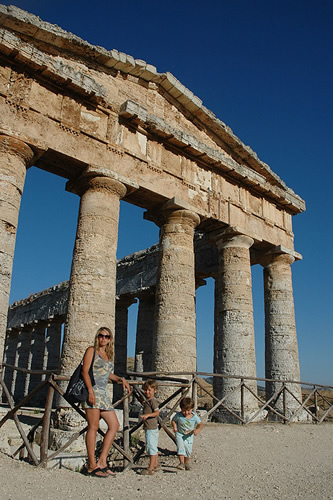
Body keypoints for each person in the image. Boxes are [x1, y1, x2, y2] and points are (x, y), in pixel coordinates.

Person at [81, 326, 131, 478]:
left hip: (103, 395)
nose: (104, 338)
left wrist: (120, 379)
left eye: (107, 336)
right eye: (101, 336)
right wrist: (90, 390)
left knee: (114, 425)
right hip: (93, 392)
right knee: (93, 427)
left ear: (110, 340)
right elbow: (85, 371)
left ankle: (102, 461)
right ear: (97, 337)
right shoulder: (91, 350)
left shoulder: (107, 354)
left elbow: (107, 374)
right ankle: (91, 465)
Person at [171, 397, 203, 471]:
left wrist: (197, 430)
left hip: (189, 436)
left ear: (192, 409)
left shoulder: (194, 417)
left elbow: (200, 424)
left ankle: (186, 463)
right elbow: (173, 420)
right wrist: (175, 427)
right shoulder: (179, 415)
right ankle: (181, 463)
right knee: (180, 448)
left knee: (188, 451)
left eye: (188, 410)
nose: (186, 412)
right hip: (180, 434)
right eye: (184, 410)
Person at [139, 379, 160, 475]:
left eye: (149, 390)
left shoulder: (153, 401)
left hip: (151, 427)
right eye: (145, 390)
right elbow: (145, 403)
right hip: (150, 427)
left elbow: (157, 412)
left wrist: (147, 415)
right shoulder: (148, 400)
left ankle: (150, 468)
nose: (147, 392)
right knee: (153, 447)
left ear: (155, 391)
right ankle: (155, 465)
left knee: (151, 447)